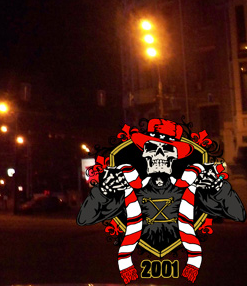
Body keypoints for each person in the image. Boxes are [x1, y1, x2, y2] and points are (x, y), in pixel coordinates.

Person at [78, 118, 245, 284]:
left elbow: (237, 213)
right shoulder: (127, 186)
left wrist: (219, 187)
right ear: (144, 153)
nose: (159, 155)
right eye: (152, 148)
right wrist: (103, 191)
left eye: (167, 149)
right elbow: (86, 218)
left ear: (176, 156)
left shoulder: (191, 187)